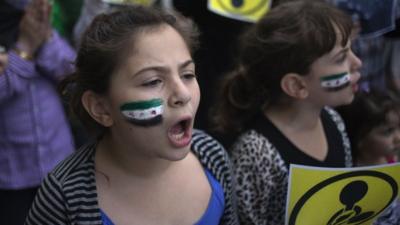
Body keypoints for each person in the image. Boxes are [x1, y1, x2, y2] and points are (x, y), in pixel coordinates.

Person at [25, 5, 238, 225]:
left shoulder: (212, 156)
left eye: (187, 74)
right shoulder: (64, 197)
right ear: (101, 108)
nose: (183, 94)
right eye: (153, 81)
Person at [212, 0, 362, 224]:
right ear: (297, 86)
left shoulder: (332, 120)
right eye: (341, 58)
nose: (357, 62)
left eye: (351, 50)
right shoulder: (256, 154)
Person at [0, 0, 75, 224]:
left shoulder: (38, 24)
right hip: (11, 176)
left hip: (60, 163)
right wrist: (24, 49)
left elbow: (72, 74)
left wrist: (43, 38)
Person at [337, 89, 400, 224]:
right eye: (388, 132)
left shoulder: (390, 158)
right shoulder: (354, 179)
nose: (398, 137)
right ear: (360, 139)